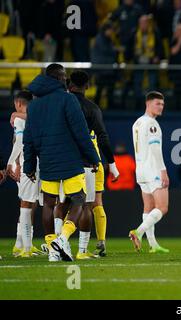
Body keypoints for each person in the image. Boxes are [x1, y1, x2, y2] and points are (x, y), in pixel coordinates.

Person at [23, 64, 100, 262]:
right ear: (58, 78)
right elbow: (81, 132)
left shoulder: (34, 105)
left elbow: (28, 139)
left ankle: (52, 250)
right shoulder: (68, 99)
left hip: (47, 161)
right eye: (64, 76)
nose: (66, 79)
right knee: (79, 199)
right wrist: (93, 158)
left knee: (49, 203)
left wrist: (29, 166)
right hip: (70, 159)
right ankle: (63, 238)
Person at [54, 70, 120, 260]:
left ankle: (55, 245)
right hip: (87, 162)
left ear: (69, 84)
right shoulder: (92, 108)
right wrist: (112, 164)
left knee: (62, 202)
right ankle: (81, 250)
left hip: (61, 160)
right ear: (88, 86)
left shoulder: (60, 105)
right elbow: (103, 137)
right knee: (85, 205)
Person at [129, 92, 170, 254]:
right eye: (157, 103)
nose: (160, 107)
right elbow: (154, 149)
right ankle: (138, 232)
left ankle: (152, 244)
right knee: (162, 207)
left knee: (149, 207)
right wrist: (163, 171)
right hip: (153, 169)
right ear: (148, 103)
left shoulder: (137, 123)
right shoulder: (152, 124)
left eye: (162, 104)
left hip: (140, 170)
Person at [6, 91, 44, 258]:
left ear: (18, 104)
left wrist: (11, 162)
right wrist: (12, 162)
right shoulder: (22, 118)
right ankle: (24, 246)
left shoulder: (22, 117)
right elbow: (20, 142)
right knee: (27, 202)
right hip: (25, 162)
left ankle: (21, 244)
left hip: (25, 161)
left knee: (30, 201)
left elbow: (19, 141)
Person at [133, 15, 164, 109]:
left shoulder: (154, 33)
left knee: (152, 84)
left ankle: (151, 105)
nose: (144, 25)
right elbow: (130, 46)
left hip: (151, 62)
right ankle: (137, 104)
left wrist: (157, 57)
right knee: (137, 83)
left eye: (145, 23)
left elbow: (159, 46)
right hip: (138, 62)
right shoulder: (135, 33)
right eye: (142, 23)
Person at [91, 23, 119, 109]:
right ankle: (96, 107)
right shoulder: (100, 39)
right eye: (110, 30)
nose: (111, 32)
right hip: (102, 69)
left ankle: (109, 106)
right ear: (106, 30)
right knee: (100, 88)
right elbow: (106, 51)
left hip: (107, 68)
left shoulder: (107, 39)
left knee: (109, 88)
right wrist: (115, 50)